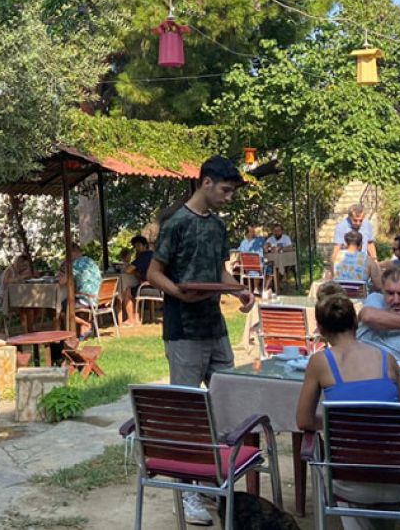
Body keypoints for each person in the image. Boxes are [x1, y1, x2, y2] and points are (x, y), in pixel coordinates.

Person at [147, 155, 255, 526]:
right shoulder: (176, 223)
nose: (229, 197)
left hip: (215, 327)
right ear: (206, 182)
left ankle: (213, 480)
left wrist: (239, 290)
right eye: (225, 190)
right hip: (183, 330)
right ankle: (187, 491)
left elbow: (218, 272)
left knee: (227, 401)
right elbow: (153, 273)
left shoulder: (218, 225)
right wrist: (178, 292)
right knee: (188, 412)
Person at [297, 294, 400, 529]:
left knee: (346, 466)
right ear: (356, 322)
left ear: (321, 329)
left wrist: (338, 423)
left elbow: (304, 420)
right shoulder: (388, 359)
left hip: (351, 482)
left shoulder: (319, 362)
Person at [57, 243, 101, 338]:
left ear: (73, 253)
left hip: (87, 299)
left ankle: (85, 324)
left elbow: (61, 282)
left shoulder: (76, 264)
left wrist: (63, 269)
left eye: (68, 254)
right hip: (98, 297)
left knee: (59, 308)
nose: (67, 257)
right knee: (68, 301)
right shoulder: (90, 261)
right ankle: (83, 328)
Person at [117, 235, 154, 327]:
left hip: (149, 287)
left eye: (138, 245)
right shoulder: (152, 254)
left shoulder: (144, 256)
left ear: (145, 245)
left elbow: (128, 270)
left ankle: (131, 320)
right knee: (133, 288)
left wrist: (133, 271)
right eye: (135, 246)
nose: (136, 248)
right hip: (156, 286)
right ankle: (136, 318)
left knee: (127, 291)